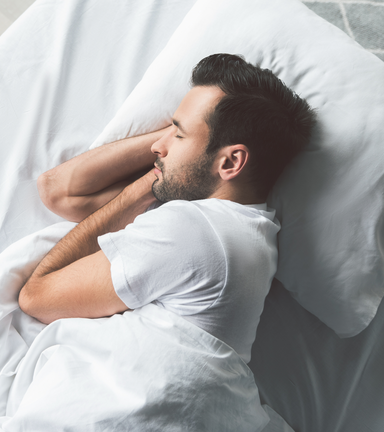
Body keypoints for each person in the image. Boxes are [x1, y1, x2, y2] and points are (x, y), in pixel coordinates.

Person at [18, 53, 315, 362]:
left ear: (229, 162)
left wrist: (166, 172)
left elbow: (36, 297)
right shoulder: (246, 231)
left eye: (179, 133)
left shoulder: (192, 231)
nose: (157, 146)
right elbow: (58, 190)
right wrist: (172, 164)